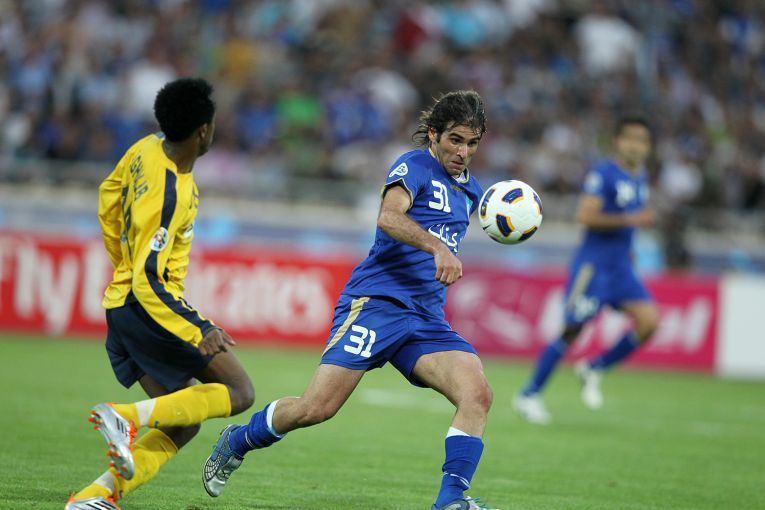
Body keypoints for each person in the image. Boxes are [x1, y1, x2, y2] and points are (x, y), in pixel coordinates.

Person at [202, 90, 498, 510]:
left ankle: (451, 499)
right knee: (316, 408)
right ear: (434, 134)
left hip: (425, 319)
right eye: (455, 140)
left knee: (477, 394)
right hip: (377, 304)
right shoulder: (414, 166)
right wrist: (436, 247)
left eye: (471, 143)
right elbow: (389, 217)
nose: (462, 152)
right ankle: (238, 439)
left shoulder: (471, 192)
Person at [66, 78, 255, 509]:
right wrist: (198, 328)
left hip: (123, 304)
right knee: (240, 391)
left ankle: (95, 498)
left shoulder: (145, 149)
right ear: (203, 131)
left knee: (181, 420)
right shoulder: (169, 193)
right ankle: (124, 417)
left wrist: (123, 263)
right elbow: (149, 280)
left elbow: (107, 198)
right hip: (146, 306)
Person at [513, 114, 659, 425]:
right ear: (617, 142)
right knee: (572, 331)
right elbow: (585, 215)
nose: (636, 146)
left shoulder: (640, 176)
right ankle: (529, 394)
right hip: (594, 268)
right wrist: (632, 220)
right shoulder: (603, 174)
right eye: (630, 138)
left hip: (621, 268)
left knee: (648, 321)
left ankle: (594, 368)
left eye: (642, 140)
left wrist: (628, 248)